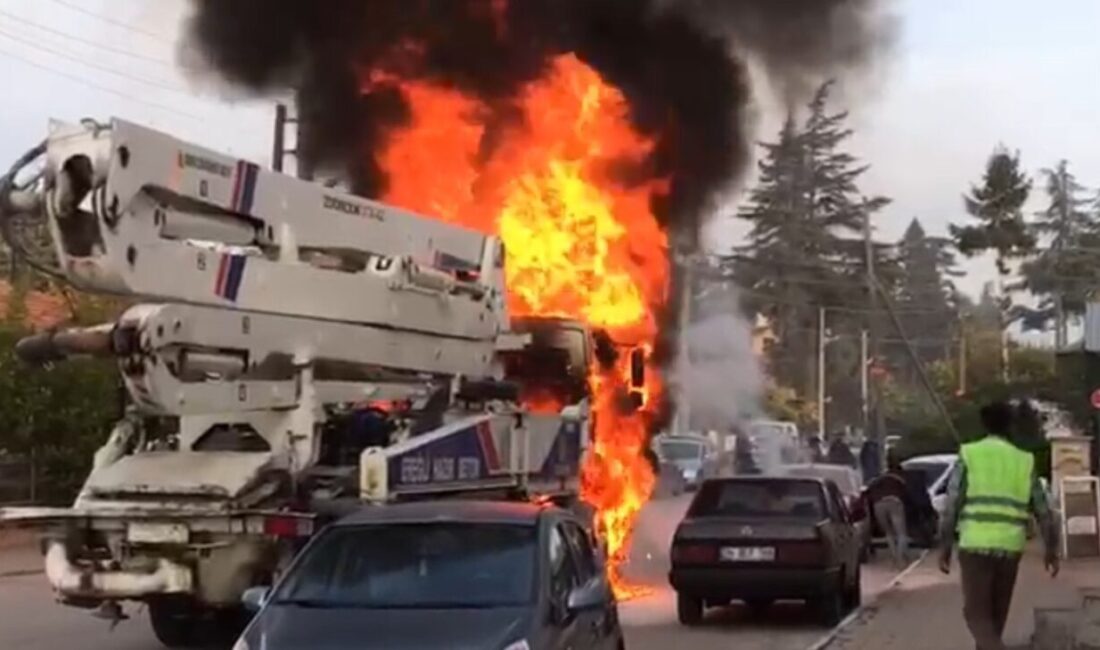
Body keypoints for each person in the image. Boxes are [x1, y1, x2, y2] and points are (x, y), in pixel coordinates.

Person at [938, 401, 1060, 650]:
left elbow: (952, 503)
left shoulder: (970, 453)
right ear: (1011, 425)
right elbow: (1043, 510)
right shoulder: (1024, 460)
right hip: (1010, 547)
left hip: (975, 545)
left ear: (984, 424)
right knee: (995, 620)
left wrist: (945, 545)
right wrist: (1051, 550)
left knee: (976, 616)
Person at [864, 454, 913, 567]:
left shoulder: (879, 478)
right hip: (894, 502)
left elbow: (868, 489)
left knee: (888, 533)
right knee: (901, 533)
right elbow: (907, 494)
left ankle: (894, 557)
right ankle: (901, 558)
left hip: (878, 505)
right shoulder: (900, 479)